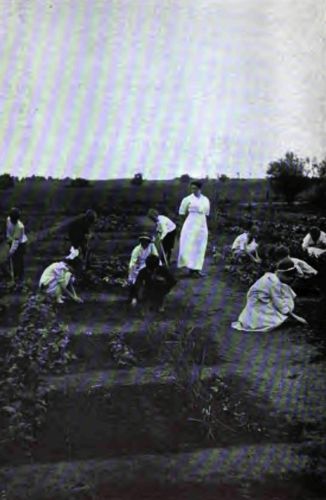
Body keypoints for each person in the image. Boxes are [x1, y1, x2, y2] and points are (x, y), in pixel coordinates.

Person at [232, 258, 307, 332]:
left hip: (260, 300)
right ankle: (268, 319)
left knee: (286, 288)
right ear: (280, 273)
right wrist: (297, 318)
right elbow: (279, 303)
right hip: (258, 306)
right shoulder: (273, 282)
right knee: (281, 308)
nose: (290, 279)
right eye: (289, 277)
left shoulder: (272, 276)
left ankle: (298, 306)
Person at [177, 180, 210, 277]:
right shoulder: (187, 199)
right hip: (191, 223)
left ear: (200, 189)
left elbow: (207, 214)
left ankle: (197, 269)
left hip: (202, 224)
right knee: (189, 245)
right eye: (192, 188)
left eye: (195, 188)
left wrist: (205, 226)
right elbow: (181, 213)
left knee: (200, 246)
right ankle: (191, 269)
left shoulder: (205, 200)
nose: (193, 190)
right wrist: (184, 226)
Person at [6, 207, 28, 285]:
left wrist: (10, 252)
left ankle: (20, 279)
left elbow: (16, 242)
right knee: (13, 261)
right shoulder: (8, 219)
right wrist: (8, 238)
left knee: (18, 262)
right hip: (12, 241)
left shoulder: (20, 227)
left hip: (20, 244)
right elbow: (8, 231)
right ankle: (15, 278)